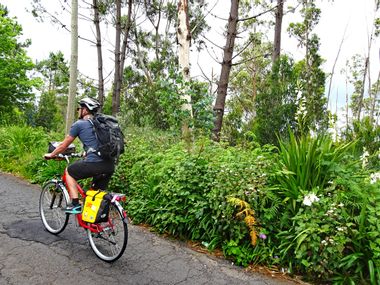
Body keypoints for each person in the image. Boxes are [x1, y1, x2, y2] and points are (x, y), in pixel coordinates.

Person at [44, 98, 115, 214]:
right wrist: (86, 152)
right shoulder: (101, 125)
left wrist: (51, 154)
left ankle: (75, 205)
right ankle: (95, 228)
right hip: (109, 165)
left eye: (79, 109)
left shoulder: (79, 124)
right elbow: (98, 144)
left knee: (69, 172)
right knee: (95, 196)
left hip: (95, 164)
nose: (78, 111)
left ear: (85, 110)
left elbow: (63, 145)